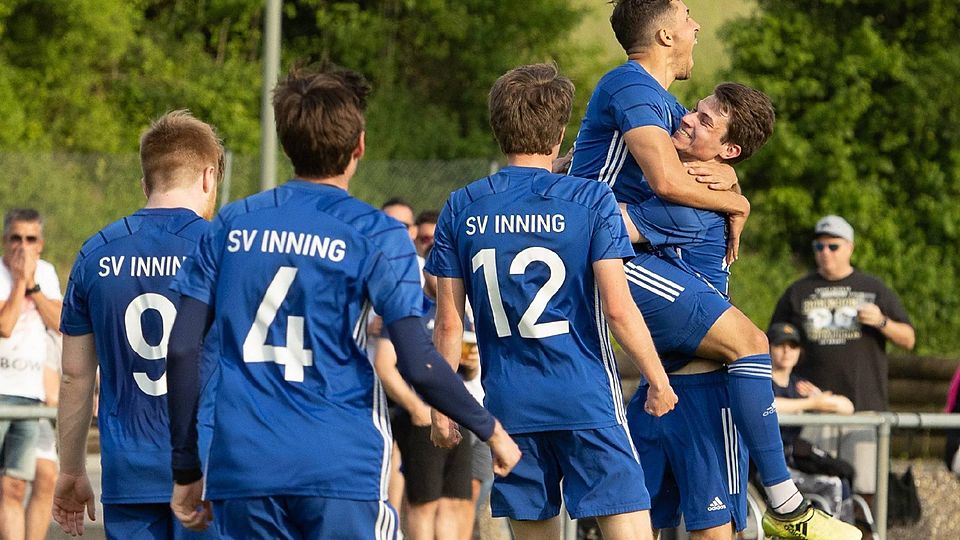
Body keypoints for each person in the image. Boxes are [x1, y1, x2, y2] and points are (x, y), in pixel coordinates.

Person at [164, 64, 520, 539]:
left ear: (287, 142)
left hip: (244, 462)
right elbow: (417, 361)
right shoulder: (378, 234)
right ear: (359, 147)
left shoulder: (230, 225)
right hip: (338, 461)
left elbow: (184, 348)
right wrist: (490, 429)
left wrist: (186, 467)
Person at [569, 2, 860, 538]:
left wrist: (732, 195)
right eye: (684, 14)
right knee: (751, 341)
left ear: (728, 149)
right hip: (657, 334)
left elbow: (645, 188)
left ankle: (783, 503)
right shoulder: (636, 94)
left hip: (690, 378)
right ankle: (785, 502)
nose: (696, 25)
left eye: (703, 119)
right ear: (662, 32)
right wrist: (738, 204)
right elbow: (648, 190)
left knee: (701, 528)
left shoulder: (671, 122)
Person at [426, 62, 676, 540]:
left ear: (499, 129)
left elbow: (447, 325)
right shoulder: (590, 199)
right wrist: (657, 380)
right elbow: (619, 308)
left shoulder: (463, 204)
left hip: (510, 404)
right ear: (561, 132)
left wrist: (443, 408)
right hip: (584, 396)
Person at [53, 110, 223, 539]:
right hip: (209, 469)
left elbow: (75, 377)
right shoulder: (221, 247)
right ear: (208, 176)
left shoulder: (95, 253)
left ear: (146, 183)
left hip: (128, 470)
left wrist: (71, 468)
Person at [770, 215, 915, 502]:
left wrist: (882, 322)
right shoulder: (798, 291)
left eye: (833, 246)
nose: (825, 252)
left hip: (864, 409)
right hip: (814, 410)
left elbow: (909, 338)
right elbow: (772, 341)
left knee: (864, 491)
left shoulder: (873, 288)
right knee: (815, 487)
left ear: (850, 247)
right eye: (819, 246)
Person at [0, 208, 63, 540]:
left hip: (29, 395)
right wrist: (19, 282)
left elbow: (62, 324)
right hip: (2, 391)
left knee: (14, 485)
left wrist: (34, 286)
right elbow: (5, 326)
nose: (22, 247)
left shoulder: (47, 274)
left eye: (30, 239)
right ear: (4, 240)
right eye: (15, 238)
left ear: (40, 244)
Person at [769, 322, 855, 520]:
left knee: (843, 474)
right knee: (832, 484)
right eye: (780, 345)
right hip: (769, 462)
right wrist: (811, 403)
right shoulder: (762, 379)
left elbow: (847, 407)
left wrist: (818, 398)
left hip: (794, 457)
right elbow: (769, 403)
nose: (786, 351)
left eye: (793, 346)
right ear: (769, 348)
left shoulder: (799, 385)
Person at [25, 331, 61, 540]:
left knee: (46, 476)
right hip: (18, 397)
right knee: (12, 486)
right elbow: (52, 393)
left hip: (35, 408)